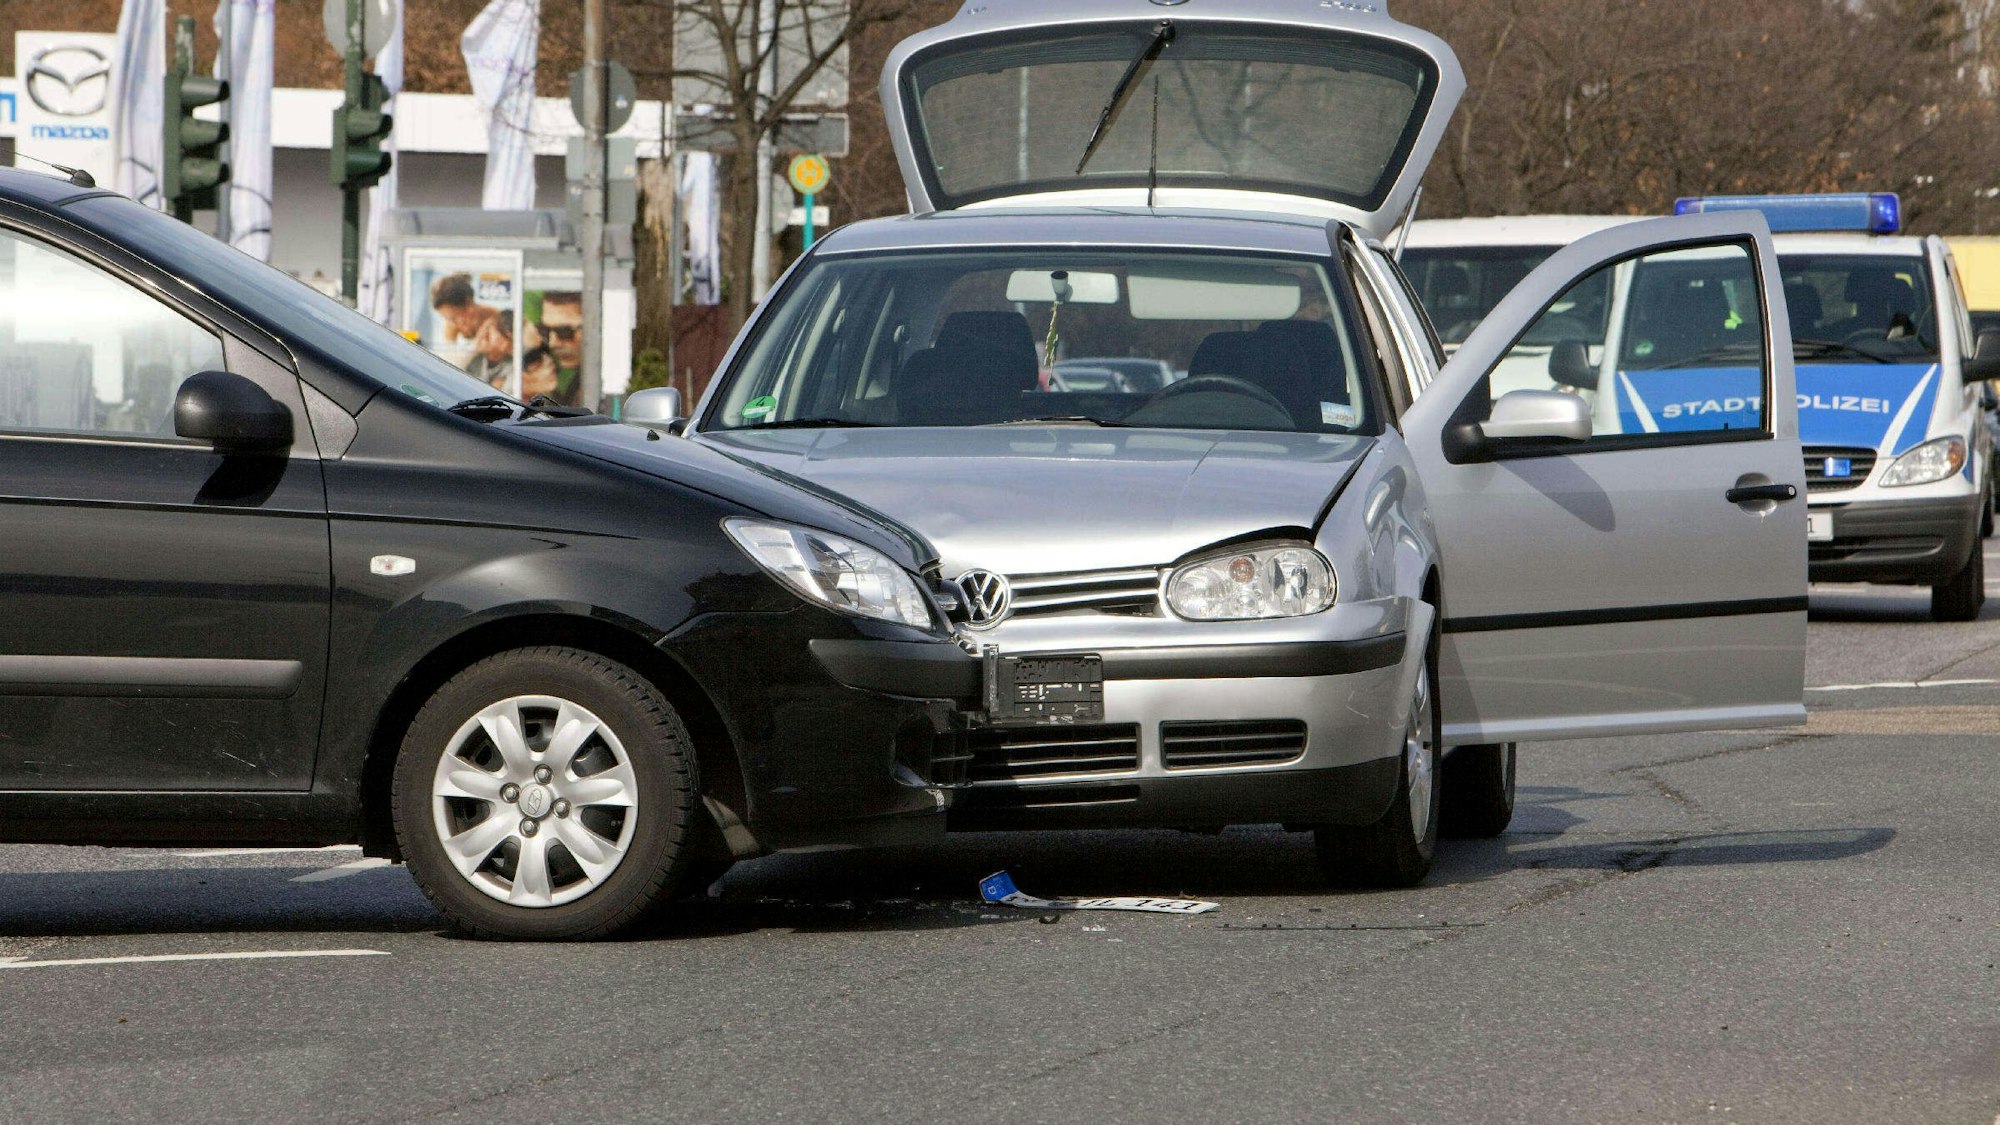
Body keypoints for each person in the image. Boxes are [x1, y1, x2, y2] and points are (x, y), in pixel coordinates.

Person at [537, 290, 584, 403]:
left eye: (564, 331)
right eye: (545, 330)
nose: (553, 343)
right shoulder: (578, 383)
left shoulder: (610, 385)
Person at [430, 273, 498, 350]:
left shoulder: (494, 316)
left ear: (469, 305)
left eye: (454, 318)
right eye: (448, 319)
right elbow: (448, 353)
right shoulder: (451, 326)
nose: (452, 323)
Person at [468, 309, 515, 390]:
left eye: (510, 339)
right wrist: (476, 346)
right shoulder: (473, 357)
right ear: (488, 330)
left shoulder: (513, 364)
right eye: (502, 335)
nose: (505, 343)